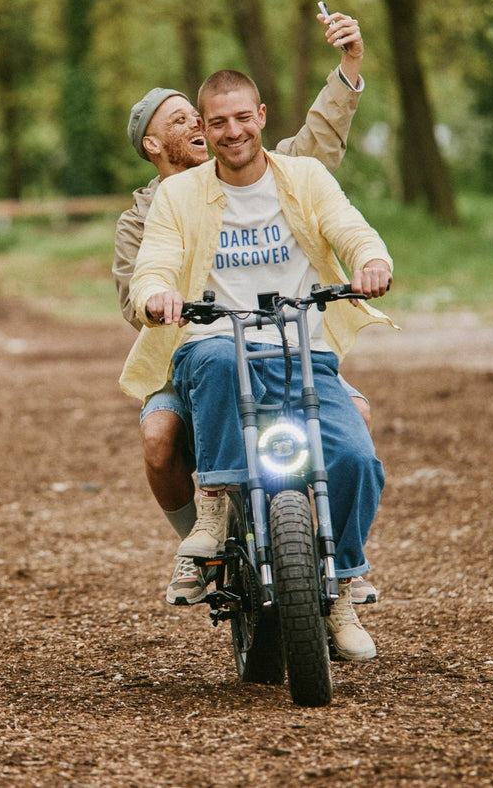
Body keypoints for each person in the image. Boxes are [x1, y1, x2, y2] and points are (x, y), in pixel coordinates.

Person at [121, 69, 396, 661]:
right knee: (212, 359)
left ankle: (342, 584)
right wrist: (155, 296)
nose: (226, 131)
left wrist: (372, 260)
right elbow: (152, 267)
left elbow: (350, 230)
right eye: (213, 122)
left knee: (355, 456)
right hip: (209, 350)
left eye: (240, 118)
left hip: (301, 350)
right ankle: (213, 513)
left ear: (262, 116)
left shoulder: (302, 177)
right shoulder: (171, 198)